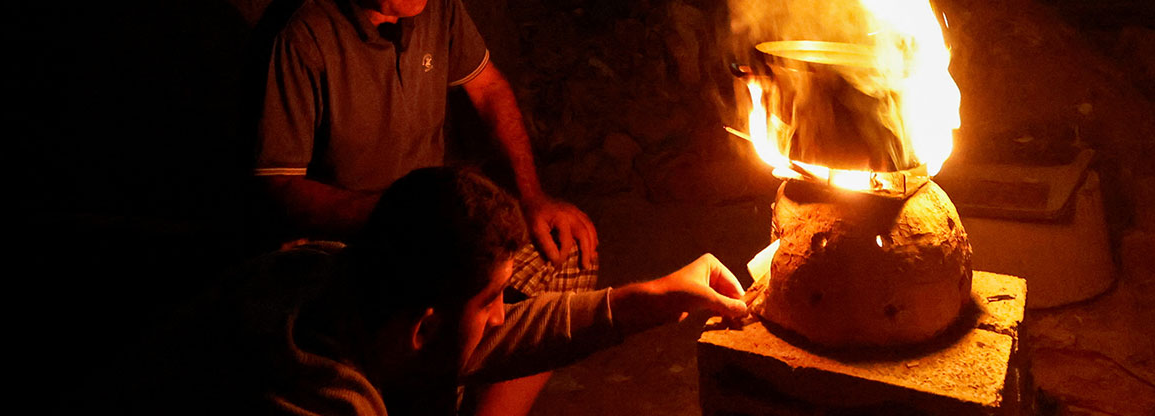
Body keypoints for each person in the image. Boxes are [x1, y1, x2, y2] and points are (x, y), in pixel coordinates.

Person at [253, 0, 599, 414]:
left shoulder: (437, 3)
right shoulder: (300, 37)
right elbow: (278, 191)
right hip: (351, 247)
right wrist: (399, 217)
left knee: (566, 255)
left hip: (438, 231)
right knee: (445, 309)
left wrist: (531, 197)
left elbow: (489, 92)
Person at [121, 167, 747, 416]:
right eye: (492, 302)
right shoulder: (317, 398)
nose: (506, 318)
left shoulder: (334, 272)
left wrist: (659, 296)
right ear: (422, 328)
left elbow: (517, 333)